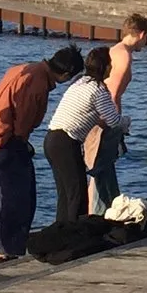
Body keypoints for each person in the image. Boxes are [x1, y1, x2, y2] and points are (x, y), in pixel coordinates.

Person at [0, 44, 84, 260]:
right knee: (16, 196)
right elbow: (23, 121)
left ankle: (0, 246)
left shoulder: (25, 69)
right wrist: (23, 143)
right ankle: (4, 250)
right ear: (66, 74)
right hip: (5, 141)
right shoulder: (37, 82)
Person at [44, 46, 123, 225]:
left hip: (51, 139)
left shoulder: (80, 81)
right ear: (104, 67)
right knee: (78, 194)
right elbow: (113, 121)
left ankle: (61, 231)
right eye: (110, 64)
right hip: (66, 142)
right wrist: (126, 122)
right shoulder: (98, 90)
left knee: (65, 193)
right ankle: (74, 234)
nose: (112, 68)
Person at [86, 14, 147, 212]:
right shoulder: (124, 56)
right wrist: (117, 124)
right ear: (141, 34)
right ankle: (97, 212)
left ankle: (96, 211)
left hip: (100, 116)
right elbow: (112, 93)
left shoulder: (114, 50)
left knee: (98, 167)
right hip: (106, 119)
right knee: (101, 166)